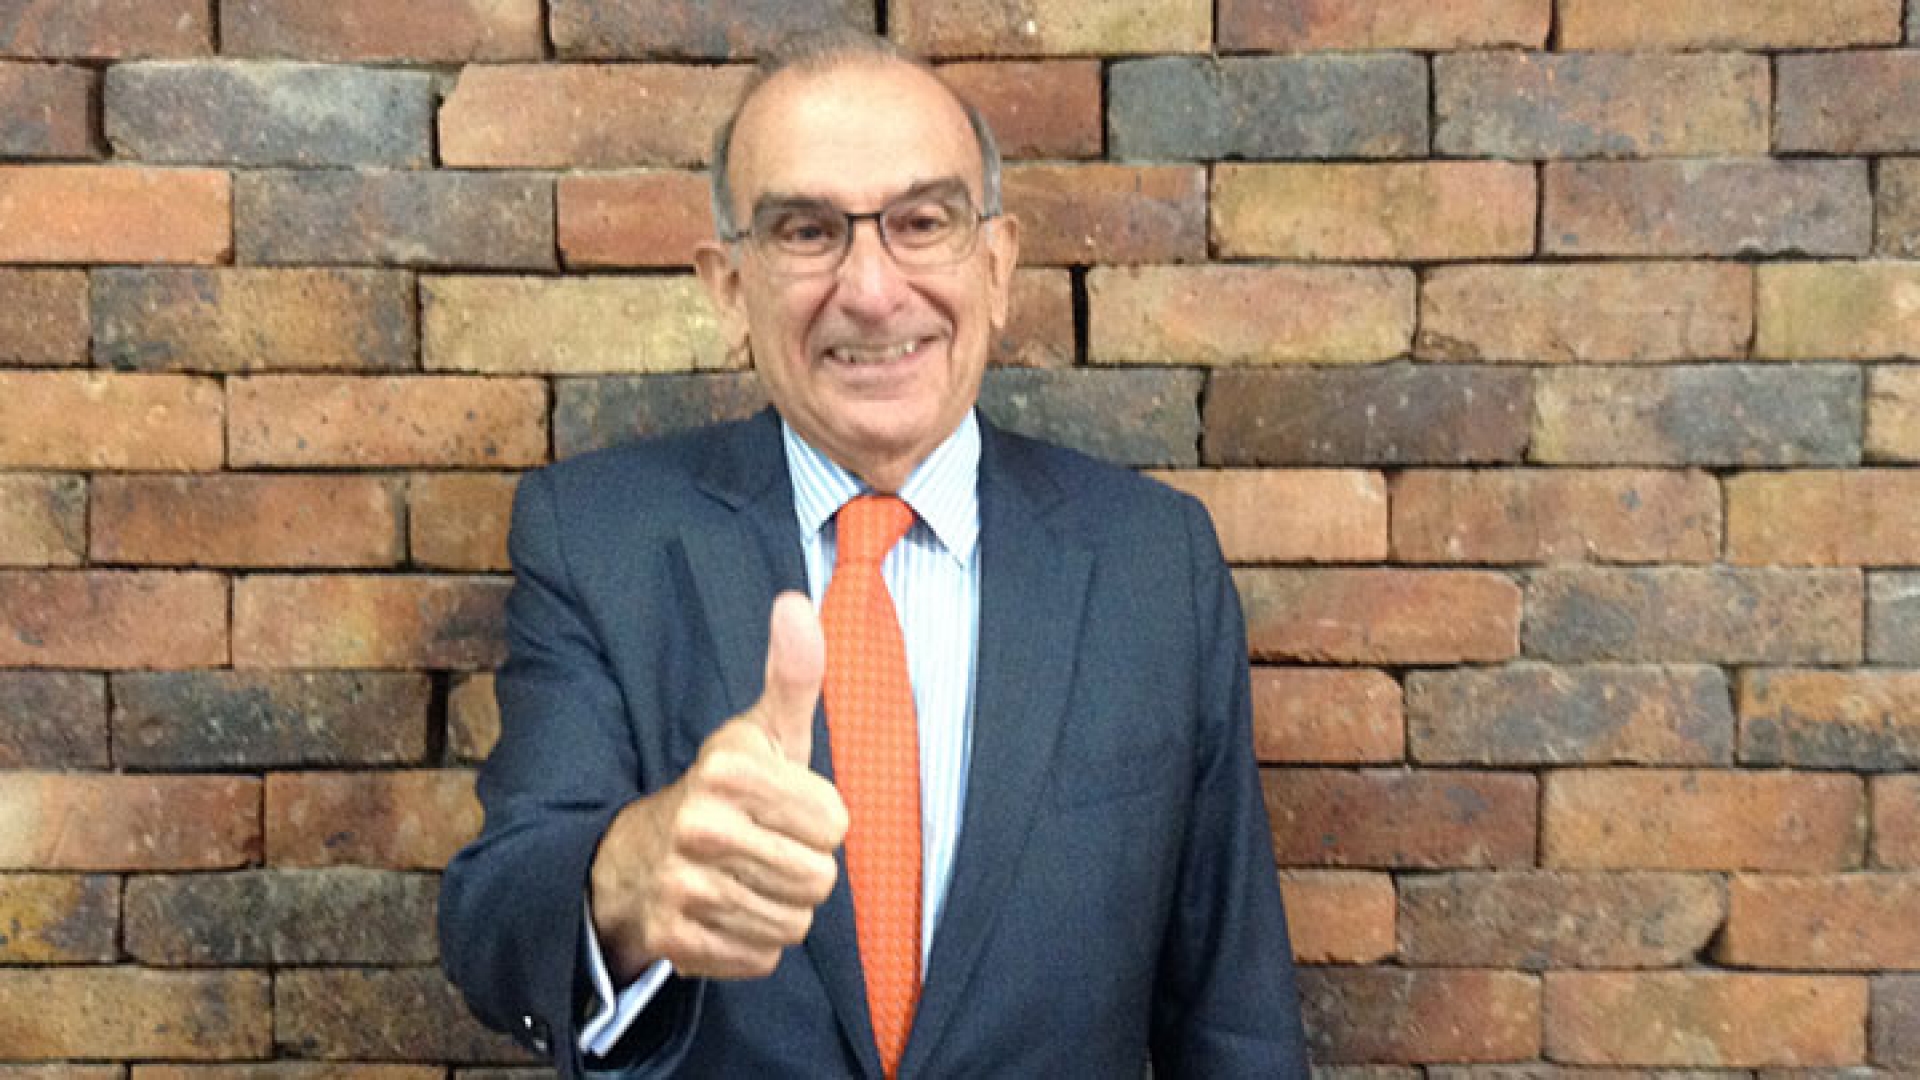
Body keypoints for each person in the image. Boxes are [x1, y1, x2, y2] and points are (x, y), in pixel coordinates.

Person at [438, 27, 1308, 1078]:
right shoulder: (596, 539)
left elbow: (1234, 1019)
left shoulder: (1153, 564)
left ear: (997, 266)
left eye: (922, 223)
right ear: (729, 285)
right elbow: (496, 917)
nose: (872, 289)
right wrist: (627, 877)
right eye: (806, 231)